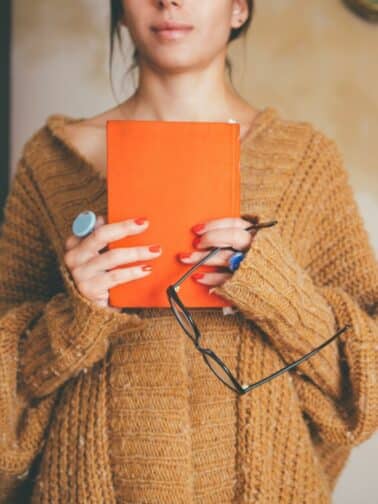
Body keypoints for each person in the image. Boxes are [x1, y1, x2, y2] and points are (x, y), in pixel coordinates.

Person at [0, 0, 377, 502]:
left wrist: (280, 294)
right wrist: (73, 316)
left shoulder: (305, 162)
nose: (169, 0)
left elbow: (365, 382)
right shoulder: (51, 160)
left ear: (239, 9)